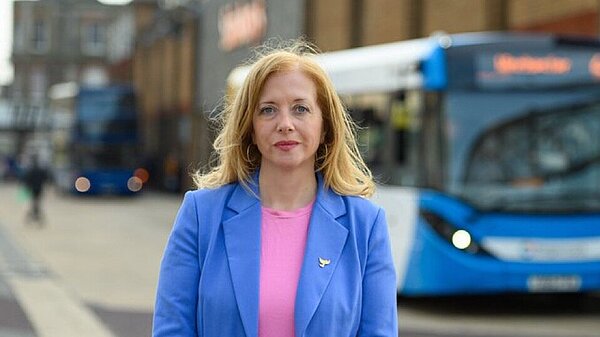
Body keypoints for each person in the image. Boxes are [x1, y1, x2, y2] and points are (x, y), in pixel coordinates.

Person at [153, 40, 398, 337]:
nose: (285, 124)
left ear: (325, 128)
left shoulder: (366, 225)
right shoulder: (201, 215)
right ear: (250, 129)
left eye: (301, 109)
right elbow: (172, 329)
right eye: (268, 110)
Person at [22, 154, 49, 225]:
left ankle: (33, 216)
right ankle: (36, 216)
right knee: (37, 203)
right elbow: (46, 179)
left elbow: (26, 180)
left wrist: (27, 187)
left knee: (34, 203)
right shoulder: (41, 170)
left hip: (33, 189)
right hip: (39, 189)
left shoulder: (31, 170)